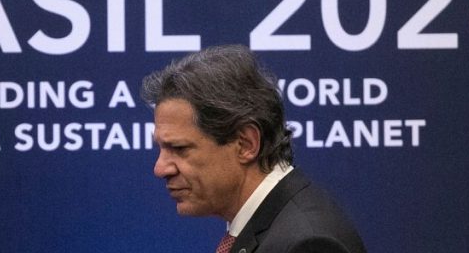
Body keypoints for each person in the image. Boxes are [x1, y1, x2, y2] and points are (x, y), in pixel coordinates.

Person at [142, 45, 366, 253]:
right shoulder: (266, 226)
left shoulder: (308, 245)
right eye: (160, 148)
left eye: (179, 148)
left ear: (246, 144)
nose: (160, 169)